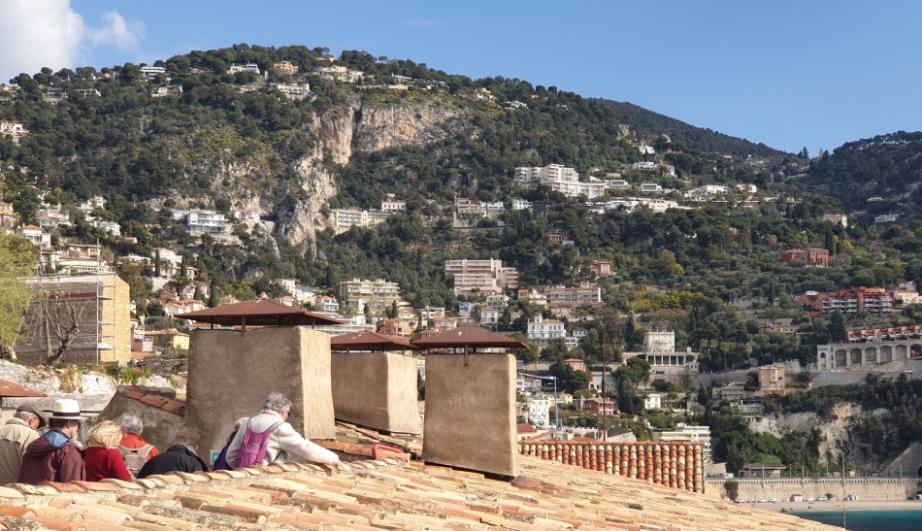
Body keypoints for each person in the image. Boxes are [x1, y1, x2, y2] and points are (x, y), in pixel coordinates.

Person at [225, 393, 339, 468]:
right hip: (267, 478)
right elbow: (305, 449)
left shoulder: (247, 423)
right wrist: (334, 459)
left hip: (243, 475)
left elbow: (230, 456)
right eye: (288, 413)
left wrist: (242, 471)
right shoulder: (280, 427)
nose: (287, 416)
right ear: (281, 411)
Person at [18, 399, 85, 484]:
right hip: (53, 497)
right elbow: (73, 486)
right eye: (78, 424)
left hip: (30, 496)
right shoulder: (69, 451)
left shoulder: (33, 445)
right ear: (70, 423)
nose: (78, 428)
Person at [0, 405, 46, 484]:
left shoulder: (1, 430)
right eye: (37, 425)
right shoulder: (31, 435)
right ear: (32, 420)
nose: (36, 428)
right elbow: (32, 469)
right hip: (16, 490)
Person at [137, 441, 207, 478]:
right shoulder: (192, 462)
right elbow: (199, 484)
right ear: (191, 452)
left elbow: (139, 479)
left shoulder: (153, 459)